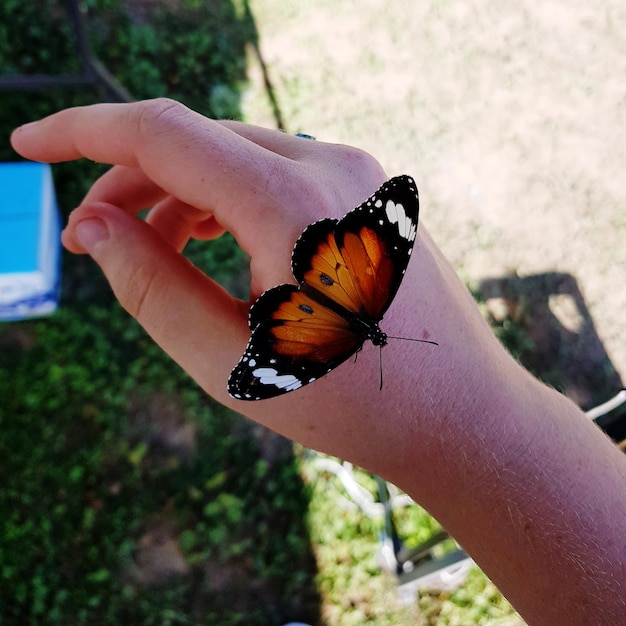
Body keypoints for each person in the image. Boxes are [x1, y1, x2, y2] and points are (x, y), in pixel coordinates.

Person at [11, 99, 626, 624]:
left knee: (341, 297)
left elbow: (295, 340)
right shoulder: (355, 324)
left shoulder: (358, 309)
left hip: (331, 283)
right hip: (331, 302)